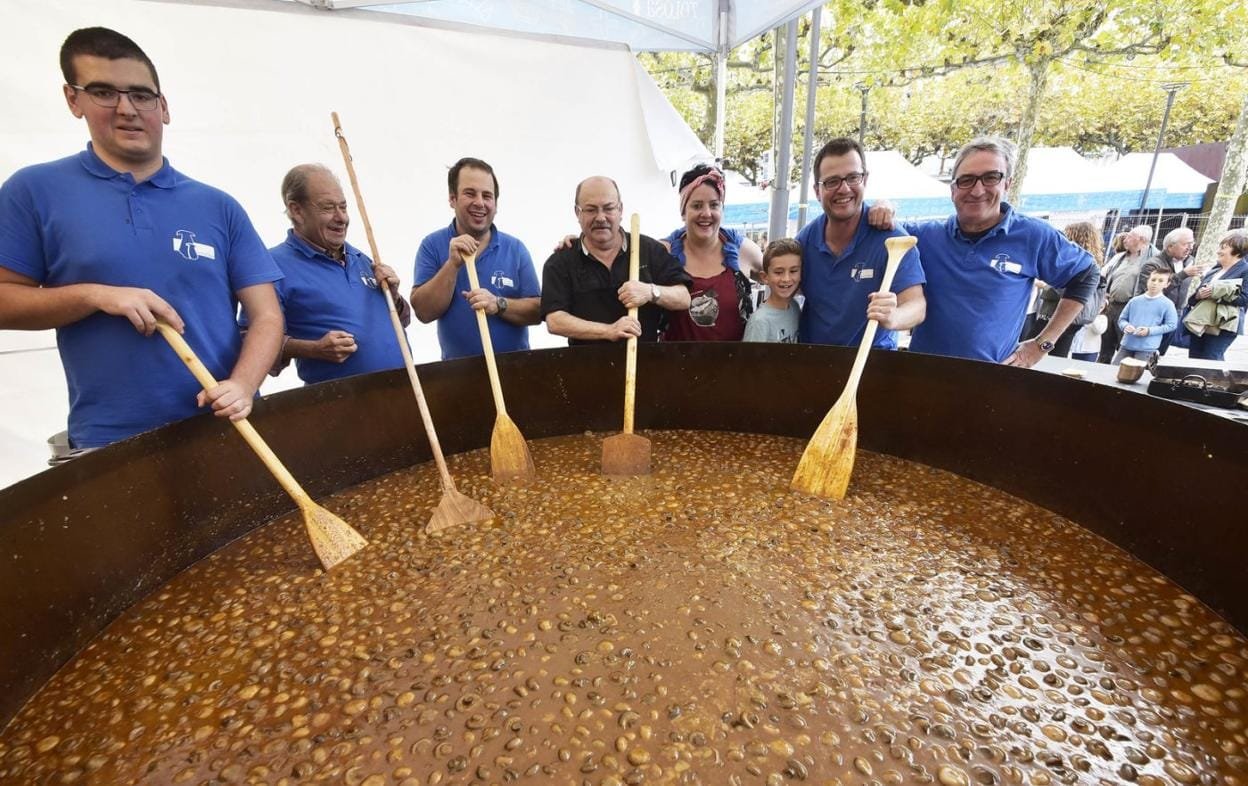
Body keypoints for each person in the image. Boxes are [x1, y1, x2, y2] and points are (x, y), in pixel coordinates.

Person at [0, 27, 282, 450]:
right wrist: (96, 295)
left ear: (163, 107)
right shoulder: (35, 191)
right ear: (73, 100)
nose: (127, 109)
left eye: (141, 95)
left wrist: (242, 385)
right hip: (112, 444)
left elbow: (267, 316)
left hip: (226, 432)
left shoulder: (217, 206)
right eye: (104, 92)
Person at [885, 137, 1095, 366]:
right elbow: (876, 228)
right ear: (953, 189)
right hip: (924, 376)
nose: (977, 190)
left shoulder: (1033, 236)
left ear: (1007, 183)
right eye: (966, 180)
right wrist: (883, 208)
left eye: (990, 177)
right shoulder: (924, 236)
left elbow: (1087, 275)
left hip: (993, 380)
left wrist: (1042, 344)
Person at [257, 164, 410, 385]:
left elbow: (402, 320)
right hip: (339, 404)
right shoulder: (273, 266)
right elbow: (251, 340)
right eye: (328, 208)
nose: (341, 218)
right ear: (296, 210)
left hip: (404, 392)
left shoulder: (361, 258)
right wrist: (313, 349)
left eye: (344, 207)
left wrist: (393, 296)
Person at [796, 138, 925, 349]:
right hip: (814, 364)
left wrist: (894, 316)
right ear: (817, 191)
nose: (844, 189)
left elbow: (917, 305)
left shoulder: (892, 240)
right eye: (832, 181)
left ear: (865, 180)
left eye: (853, 177)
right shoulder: (805, 240)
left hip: (872, 365)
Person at [412, 157, 540, 360]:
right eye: (470, 193)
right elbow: (424, 312)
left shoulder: (515, 249)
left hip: (516, 374)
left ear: (496, 204)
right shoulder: (432, 245)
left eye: (487, 196)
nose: (480, 203)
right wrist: (452, 265)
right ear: (452, 199)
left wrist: (498, 304)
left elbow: (538, 311)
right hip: (457, 378)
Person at [541, 176, 691, 343]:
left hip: (646, 365)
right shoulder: (560, 261)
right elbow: (555, 321)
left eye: (608, 208)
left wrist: (650, 292)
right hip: (584, 367)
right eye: (591, 210)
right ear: (578, 212)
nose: (600, 217)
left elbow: (684, 297)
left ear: (620, 210)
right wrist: (609, 331)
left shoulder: (649, 249)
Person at [661, 164, 763, 341]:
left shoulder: (744, 251)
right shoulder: (664, 253)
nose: (706, 213)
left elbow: (783, 280)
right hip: (675, 366)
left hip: (736, 366)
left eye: (714, 205)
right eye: (697, 205)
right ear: (683, 212)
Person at [1033, 221, 1106, 357]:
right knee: (1059, 356)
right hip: (1075, 320)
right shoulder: (1093, 263)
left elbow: (1066, 289)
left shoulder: (1074, 263)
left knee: (1035, 350)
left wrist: (1045, 285)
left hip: (1053, 316)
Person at [1178, 230, 1248, 362]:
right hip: (1201, 321)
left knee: (1211, 360)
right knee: (1194, 359)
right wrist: (1199, 295)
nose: (1219, 251)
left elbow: (1244, 299)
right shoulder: (1215, 270)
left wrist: (1215, 294)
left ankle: (1218, 383)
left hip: (1223, 324)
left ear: (1237, 251)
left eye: (1224, 248)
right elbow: (1194, 298)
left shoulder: (1245, 270)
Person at [1138, 227, 1202, 355]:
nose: (1189, 247)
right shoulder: (1153, 264)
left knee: (1159, 355)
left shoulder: (1190, 261)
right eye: (1185, 244)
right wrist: (1182, 275)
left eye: (1192, 243)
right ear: (1170, 247)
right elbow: (1151, 290)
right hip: (1154, 317)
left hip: (1175, 315)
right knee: (1145, 353)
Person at [1098, 225, 1154, 363]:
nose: (1125, 238)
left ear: (1141, 240)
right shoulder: (1119, 257)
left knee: (1124, 347)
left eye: (1130, 236)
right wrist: (1103, 292)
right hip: (1110, 305)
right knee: (1105, 345)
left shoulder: (1151, 259)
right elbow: (1103, 275)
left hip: (1129, 308)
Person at [1113, 269, 1177, 364]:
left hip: (1147, 348)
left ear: (1167, 284)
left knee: (1138, 375)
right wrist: (1125, 326)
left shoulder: (1167, 304)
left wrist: (1149, 331)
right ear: (1148, 280)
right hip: (1127, 345)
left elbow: (1171, 325)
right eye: (1153, 279)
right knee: (1114, 370)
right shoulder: (1134, 301)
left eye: (1160, 281)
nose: (1155, 283)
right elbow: (1122, 319)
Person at [743, 239, 801, 343]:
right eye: (778, 272)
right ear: (765, 277)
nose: (786, 278)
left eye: (793, 271)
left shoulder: (794, 307)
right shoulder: (759, 321)